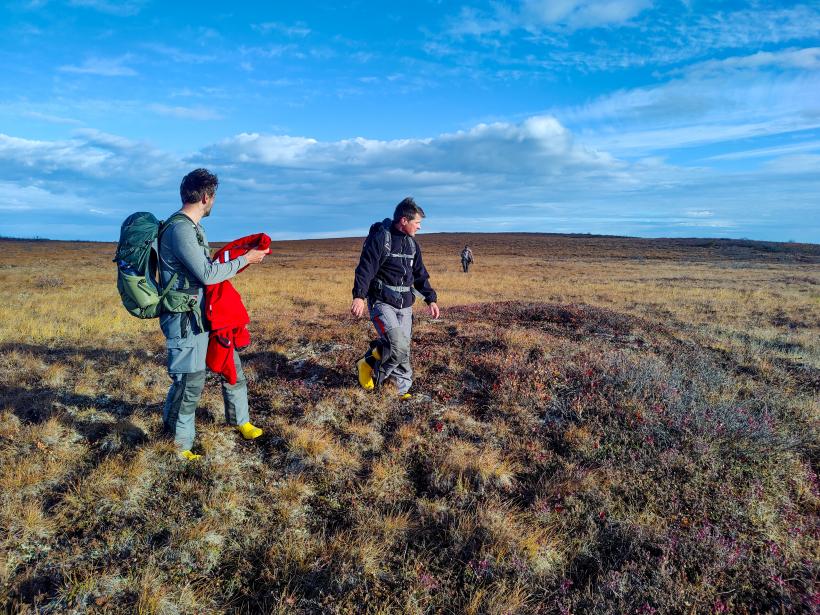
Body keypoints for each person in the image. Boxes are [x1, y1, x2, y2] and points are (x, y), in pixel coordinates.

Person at [158, 168, 268, 460]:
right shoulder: (180, 229)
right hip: (185, 320)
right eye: (214, 196)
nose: (214, 202)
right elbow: (207, 274)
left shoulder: (194, 229)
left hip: (206, 316)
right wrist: (246, 259)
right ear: (206, 197)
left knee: (232, 368)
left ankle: (240, 420)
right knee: (189, 382)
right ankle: (179, 446)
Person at [350, 197, 440, 399]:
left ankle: (400, 390)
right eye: (417, 222)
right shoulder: (382, 239)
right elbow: (366, 268)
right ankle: (373, 370)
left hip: (405, 304)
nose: (420, 227)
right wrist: (359, 296)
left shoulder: (413, 245)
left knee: (402, 348)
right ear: (404, 220)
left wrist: (430, 299)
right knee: (398, 344)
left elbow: (420, 274)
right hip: (382, 302)